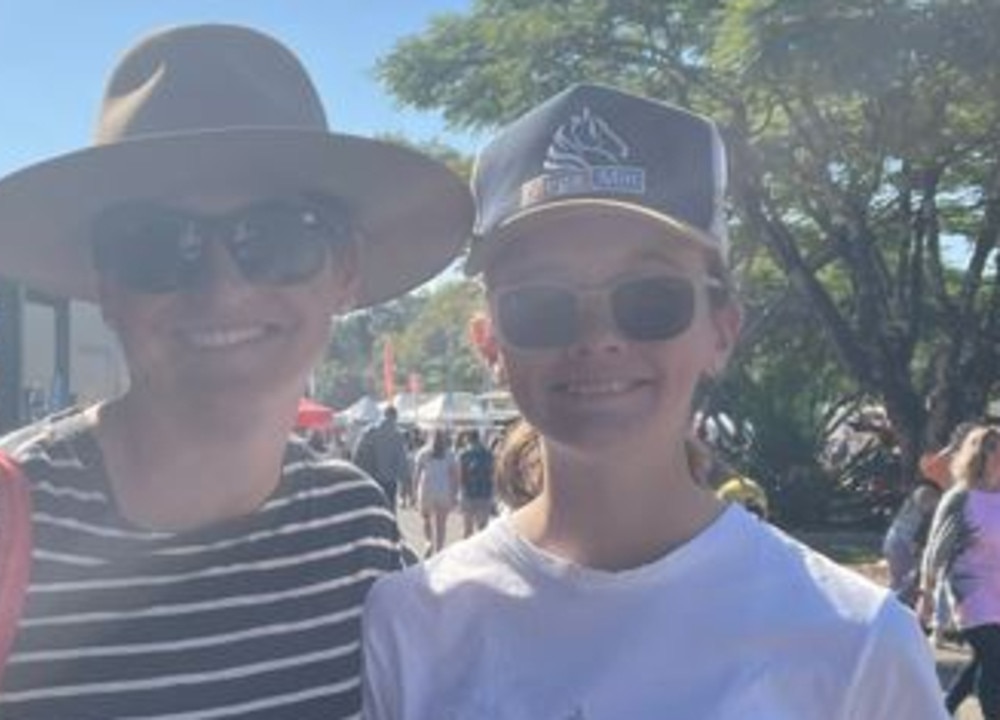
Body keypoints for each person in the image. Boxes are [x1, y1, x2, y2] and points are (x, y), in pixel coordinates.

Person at [0, 24, 471, 719]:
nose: (222, 289)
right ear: (105, 285)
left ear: (345, 272)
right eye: (157, 245)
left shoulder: (355, 532)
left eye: (277, 237)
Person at [362, 83, 946, 718]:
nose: (598, 338)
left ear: (721, 329)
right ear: (490, 344)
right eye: (540, 303)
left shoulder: (854, 642)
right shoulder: (412, 618)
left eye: (649, 297)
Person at [919, 425, 1000, 718]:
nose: (998, 452)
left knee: (985, 658)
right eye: (991, 446)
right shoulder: (961, 497)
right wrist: (926, 593)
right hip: (970, 589)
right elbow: (935, 548)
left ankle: (942, 710)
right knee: (995, 658)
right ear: (977, 454)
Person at [884, 421, 975, 609]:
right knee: (907, 590)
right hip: (908, 538)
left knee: (907, 590)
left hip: (905, 536)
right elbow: (930, 501)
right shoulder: (944, 465)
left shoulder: (944, 462)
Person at [352, 405, 412, 508]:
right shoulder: (397, 435)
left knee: (373, 507)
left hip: (371, 477)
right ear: (395, 417)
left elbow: (357, 453)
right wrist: (406, 480)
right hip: (389, 480)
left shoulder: (369, 431)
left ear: (384, 414)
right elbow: (402, 461)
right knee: (389, 509)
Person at [413, 429, 460, 556]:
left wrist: (413, 491)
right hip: (443, 490)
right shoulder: (450, 454)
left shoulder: (422, 452)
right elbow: (455, 476)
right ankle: (439, 549)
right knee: (441, 523)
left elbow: (416, 474)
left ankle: (429, 542)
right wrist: (455, 494)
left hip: (426, 489)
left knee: (426, 519)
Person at [457, 428, 495, 536]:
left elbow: (460, 476)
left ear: (467, 439)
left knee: (467, 529)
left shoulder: (463, 455)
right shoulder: (488, 454)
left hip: (468, 494)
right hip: (485, 493)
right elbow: (492, 474)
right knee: (483, 529)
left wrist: (459, 494)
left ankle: (467, 551)